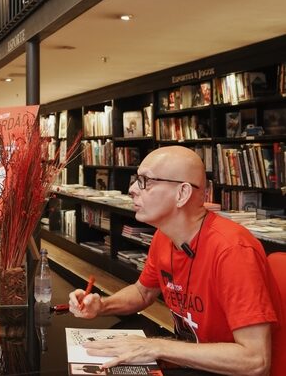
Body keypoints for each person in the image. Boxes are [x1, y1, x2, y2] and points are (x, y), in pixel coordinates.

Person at [69, 146, 278, 375]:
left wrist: (157, 346)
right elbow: (143, 292)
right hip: (195, 360)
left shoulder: (232, 250)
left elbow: (256, 361)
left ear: (182, 194)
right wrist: (102, 306)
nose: (131, 189)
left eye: (144, 181)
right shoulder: (164, 236)